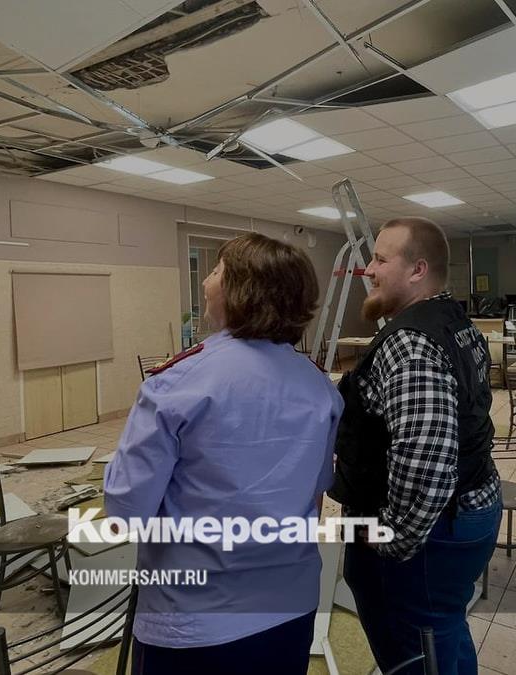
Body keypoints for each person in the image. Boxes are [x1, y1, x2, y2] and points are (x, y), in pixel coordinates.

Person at [105, 232, 343, 675]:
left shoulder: (177, 383)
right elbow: (313, 501)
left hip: (195, 621)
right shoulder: (319, 388)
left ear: (241, 291)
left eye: (216, 271)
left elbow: (126, 513)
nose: (205, 282)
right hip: (289, 607)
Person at [330, 217, 501, 674]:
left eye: (381, 260)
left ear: (418, 270)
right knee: (443, 628)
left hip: (431, 532)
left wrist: (392, 539)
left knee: (418, 649)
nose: (369, 269)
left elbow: (427, 462)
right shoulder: (457, 322)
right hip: (472, 504)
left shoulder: (410, 343)